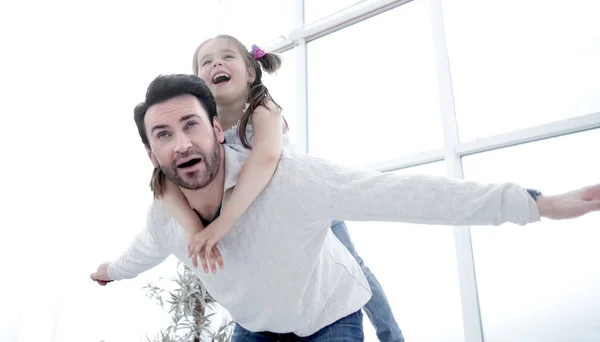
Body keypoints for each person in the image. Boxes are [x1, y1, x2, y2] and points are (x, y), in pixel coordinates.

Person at [91, 73, 600, 341]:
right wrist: (109, 272)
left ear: (217, 130)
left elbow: (398, 194)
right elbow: (136, 254)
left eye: (190, 125)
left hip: (329, 318)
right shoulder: (163, 221)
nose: (180, 143)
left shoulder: (290, 180)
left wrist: (536, 204)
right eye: (163, 134)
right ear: (150, 151)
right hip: (255, 327)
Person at [158, 35, 403, 341]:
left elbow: (266, 157)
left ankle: (391, 334)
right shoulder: (200, 127)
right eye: (205, 62)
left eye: (226, 57)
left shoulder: (263, 109)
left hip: (306, 212)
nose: (216, 63)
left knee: (353, 267)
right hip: (262, 222)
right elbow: (163, 180)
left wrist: (224, 221)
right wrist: (194, 228)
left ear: (250, 72)